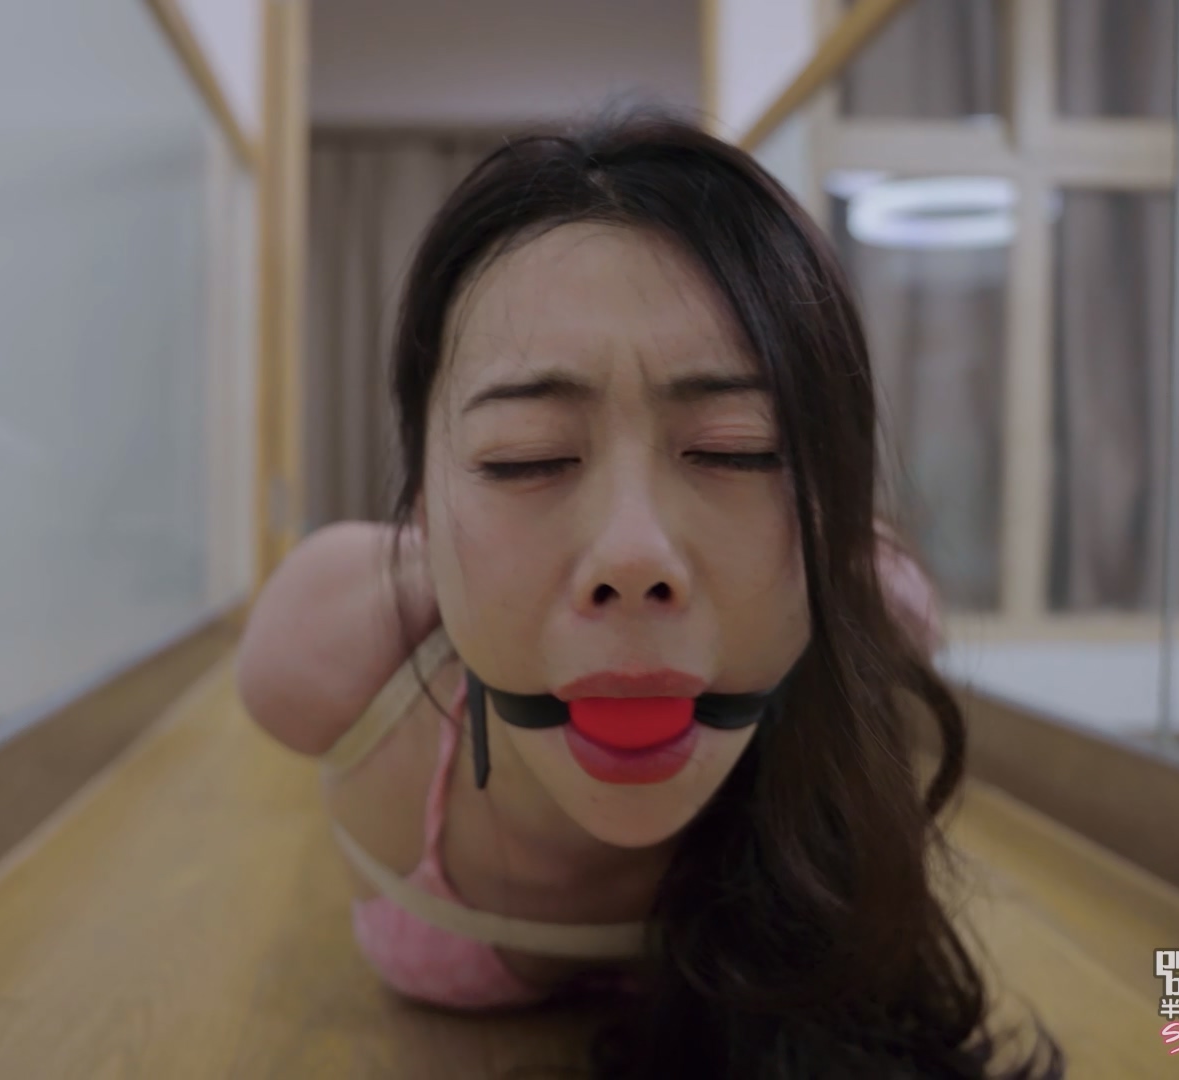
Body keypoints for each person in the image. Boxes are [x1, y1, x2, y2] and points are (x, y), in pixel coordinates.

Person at [237, 108, 1060, 1079]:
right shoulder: (332, 642)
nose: (633, 557)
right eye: (527, 458)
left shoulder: (877, 614)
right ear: (422, 503)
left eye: (736, 450)